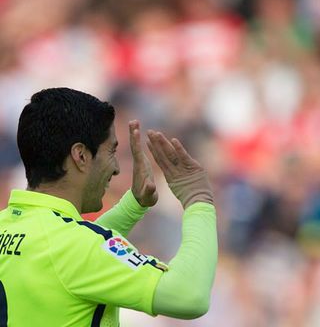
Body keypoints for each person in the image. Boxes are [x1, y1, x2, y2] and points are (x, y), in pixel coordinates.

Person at [0, 87, 217, 325]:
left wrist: (133, 206)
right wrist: (198, 199)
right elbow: (189, 295)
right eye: (111, 151)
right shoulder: (74, 248)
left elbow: (73, 258)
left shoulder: (9, 226)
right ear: (80, 155)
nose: (116, 168)